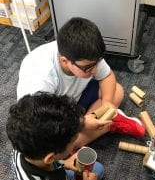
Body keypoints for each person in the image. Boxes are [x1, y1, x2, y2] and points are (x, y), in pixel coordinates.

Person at [17, 17, 145, 149]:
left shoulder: (87, 55)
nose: (95, 70)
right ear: (64, 61)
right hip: (49, 114)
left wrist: (107, 104)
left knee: (116, 91)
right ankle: (104, 127)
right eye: (88, 68)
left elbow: (107, 76)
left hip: (73, 101)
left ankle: (84, 136)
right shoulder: (41, 77)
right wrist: (81, 123)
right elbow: (39, 120)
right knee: (46, 144)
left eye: (97, 63)